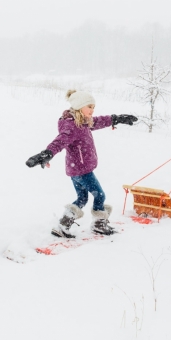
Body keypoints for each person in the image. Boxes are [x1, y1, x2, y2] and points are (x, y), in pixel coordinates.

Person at [26, 90, 137, 237]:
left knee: (82, 198)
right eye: (89, 106)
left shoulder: (83, 122)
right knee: (100, 196)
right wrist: (47, 153)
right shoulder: (73, 126)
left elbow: (99, 121)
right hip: (83, 170)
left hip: (76, 169)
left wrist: (117, 118)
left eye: (93, 107)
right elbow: (61, 140)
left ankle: (63, 225)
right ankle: (99, 224)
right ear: (79, 107)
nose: (92, 110)